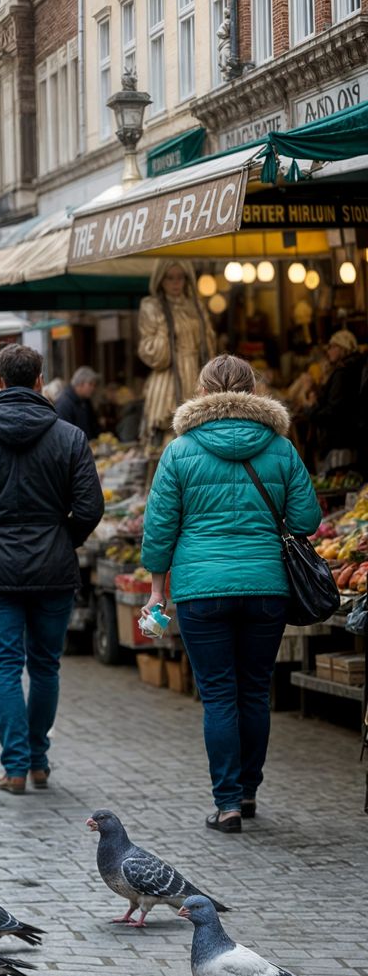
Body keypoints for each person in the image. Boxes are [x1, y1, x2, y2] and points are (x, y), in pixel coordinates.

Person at [140, 356, 321, 832]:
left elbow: (159, 529)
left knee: (219, 696)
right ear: (253, 389)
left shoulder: (180, 451)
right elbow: (306, 520)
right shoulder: (280, 447)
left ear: (202, 392)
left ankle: (227, 805)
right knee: (255, 692)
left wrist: (158, 589)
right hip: (266, 587)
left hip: (202, 591)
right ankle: (249, 791)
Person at [0, 343, 103, 794]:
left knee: (6, 668)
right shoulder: (69, 435)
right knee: (47, 666)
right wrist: (63, 538)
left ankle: (15, 767)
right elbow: (90, 507)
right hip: (53, 565)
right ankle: (38, 761)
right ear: (38, 381)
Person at [137, 259, 214, 440]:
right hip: (169, 377)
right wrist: (164, 328)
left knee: (200, 429)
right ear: (160, 280)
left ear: (187, 279)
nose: (175, 283)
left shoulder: (196, 305)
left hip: (196, 374)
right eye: (170, 278)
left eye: (180, 277)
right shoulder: (152, 306)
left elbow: (209, 343)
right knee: (168, 432)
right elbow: (153, 354)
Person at [312, 329, 365, 469]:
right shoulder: (359, 366)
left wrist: (312, 412)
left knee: (339, 479)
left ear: (342, 348)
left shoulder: (342, 372)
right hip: (356, 438)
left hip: (338, 440)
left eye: (332, 346)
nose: (328, 351)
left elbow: (334, 409)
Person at [54, 366, 100, 440]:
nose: (93, 388)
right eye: (90, 384)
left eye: (94, 385)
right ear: (80, 383)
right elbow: (64, 435)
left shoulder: (86, 400)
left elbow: (94, 426)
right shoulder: (64, 404)